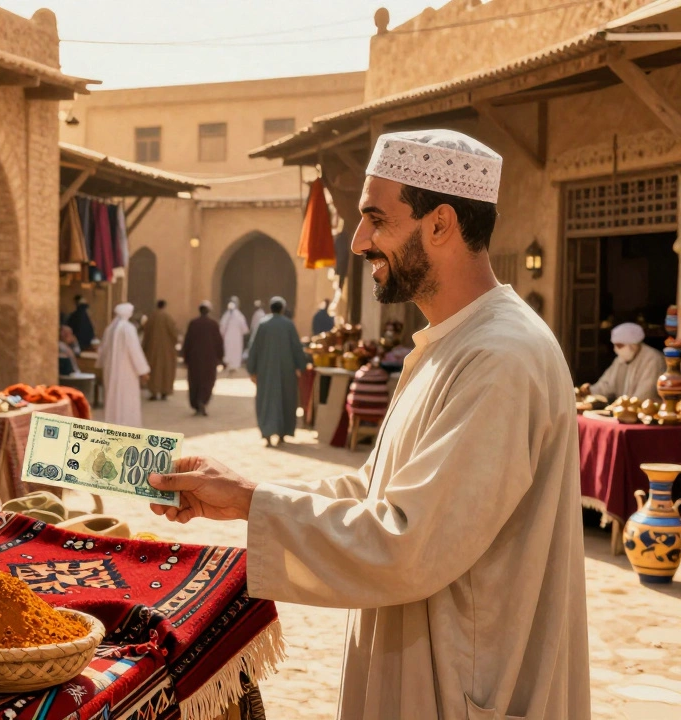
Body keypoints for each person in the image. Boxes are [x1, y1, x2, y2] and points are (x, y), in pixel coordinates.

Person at [149, 130, 589, 718]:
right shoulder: (451, 344)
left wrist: (258, 502)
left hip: (464, 686)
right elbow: (378, 493)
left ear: (440, 224)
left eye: (376, 219)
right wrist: (245, 495)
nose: (358, 241)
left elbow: (405, 542)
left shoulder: (500, 358)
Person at [247, 296, 306, 447]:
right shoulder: (288, 325)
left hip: (265, 371)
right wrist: (302, 365)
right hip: (286, 371)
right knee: (286, 399)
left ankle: (267, 433)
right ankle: (282, 433)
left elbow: (253, 348)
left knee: (266, 400)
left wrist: (252, 369)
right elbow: (296, 347)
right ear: (282, 308)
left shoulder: (263, 324)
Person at [580, 322, 666, 401]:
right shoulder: (620, 359)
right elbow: (607, 384)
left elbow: (645, 394)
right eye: (615, 345)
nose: (616, 349)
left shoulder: (653, 359)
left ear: (632, 345)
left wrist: (624, 405)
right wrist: (591, 390)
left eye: (619, 345)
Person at [98, 302, 151, 426]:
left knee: (114, 400)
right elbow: (135, 351)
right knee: (126, 403)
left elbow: (103, 351)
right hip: (127, 373)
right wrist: (143, 371)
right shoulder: (128, 328)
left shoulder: (110, 329)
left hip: (111, 372)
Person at [182, 301, 224, 417]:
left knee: (195, 381)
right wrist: (220, 358)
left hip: (195, 359)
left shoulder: (193, 323)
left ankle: (197, 403)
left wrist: (185, 357)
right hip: (209, 359)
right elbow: (219, 342)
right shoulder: (213, 324)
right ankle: (202, 401)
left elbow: (187, 341)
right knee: (207, 381)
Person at [141, 299, 179, 401]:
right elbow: (174, 333)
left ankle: (154, 391)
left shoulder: (151, 317)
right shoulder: (168, 317)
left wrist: (145, 348)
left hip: (152, 350)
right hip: (167, 350)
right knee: (165, 370)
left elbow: (146, 334)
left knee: (154, 370)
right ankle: (164, 391)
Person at [218, 297, 250, 375]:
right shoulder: (239, 315)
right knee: (235, 351)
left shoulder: (226, 315)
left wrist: (221, 334)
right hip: (237, 338)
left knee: (229, 350)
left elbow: (222, 327)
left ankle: (230, 365)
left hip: (228, 337)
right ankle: (234, 366)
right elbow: (244, 328)